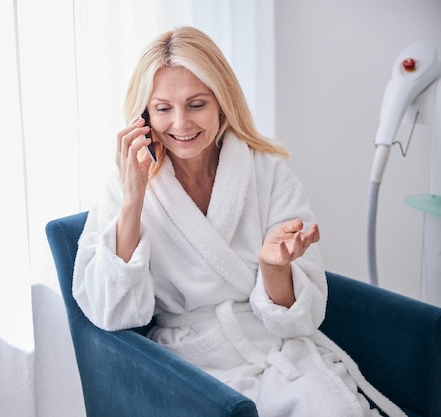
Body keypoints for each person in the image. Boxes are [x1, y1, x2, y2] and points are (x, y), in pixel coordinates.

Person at [72, 26, 405, 417]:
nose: (180, 124)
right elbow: (111, 311)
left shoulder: (268, 173)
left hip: (275, 350)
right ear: (144, 115)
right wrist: (132, 201)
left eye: (196, 104)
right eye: (163, 109)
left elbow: (302, 318)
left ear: (221, 103)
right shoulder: (128, 182)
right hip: (191, 362)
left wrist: (273, 267)